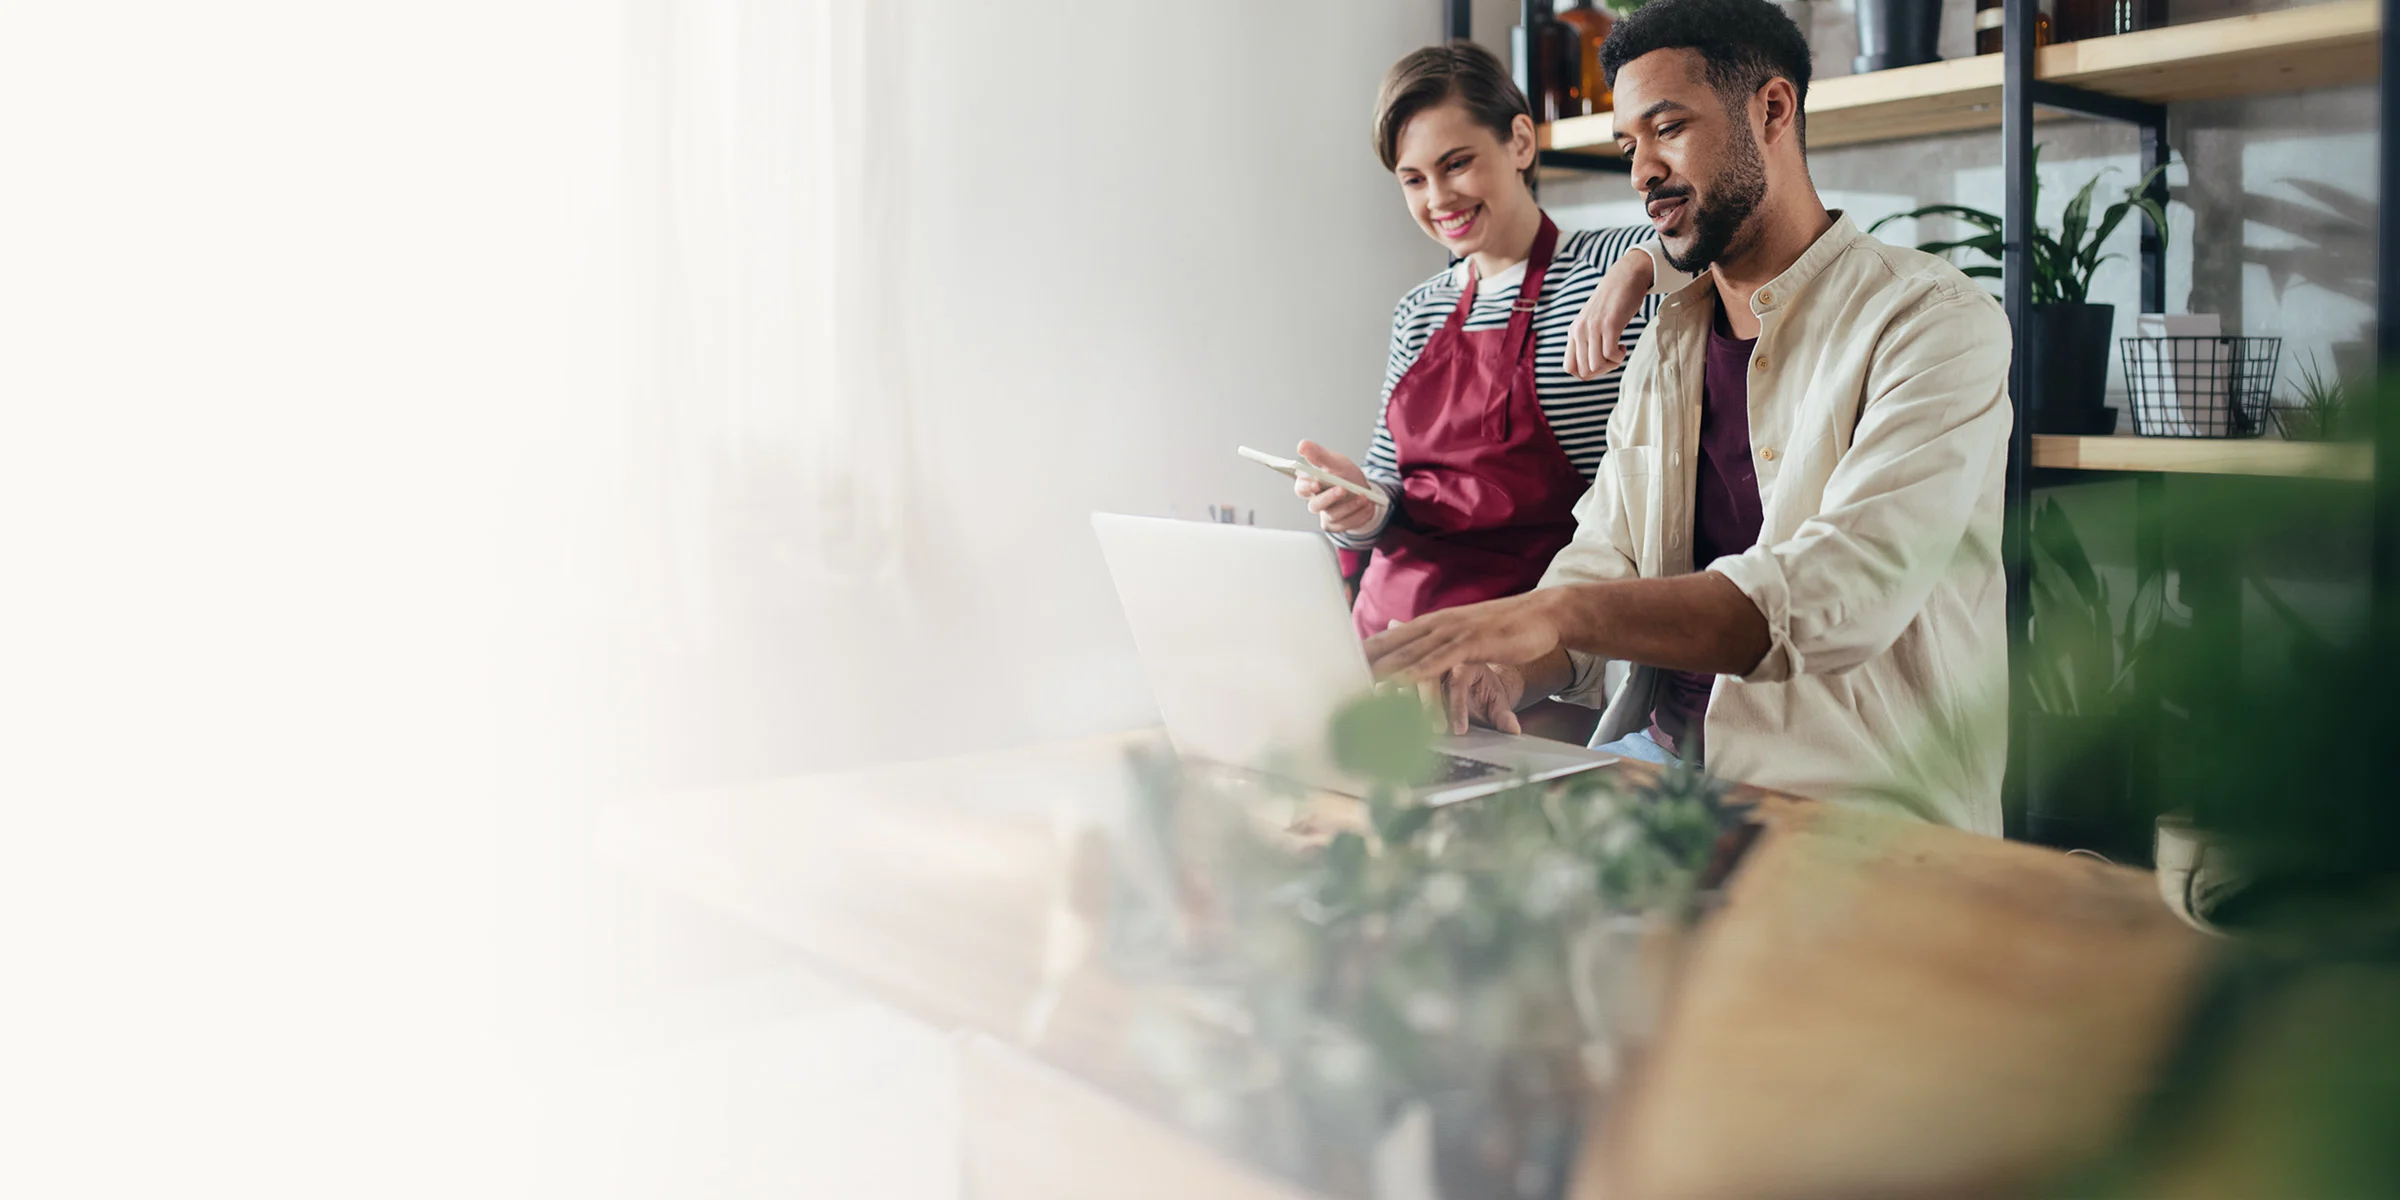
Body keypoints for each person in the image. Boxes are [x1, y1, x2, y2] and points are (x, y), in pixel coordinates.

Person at [1364, 0, 2015, 834]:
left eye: (1666, 128)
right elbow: (1604, 557)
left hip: (1853, 817)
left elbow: (1842, 590)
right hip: (1657, 773)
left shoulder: (1931, 321)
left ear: (1772, 109)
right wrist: (1508, 669)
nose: (1640, 172)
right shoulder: (1669, 341)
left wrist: (1545, 614)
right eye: (1628, 144)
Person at [1288, 42, 1667, 642]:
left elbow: (1724, 250)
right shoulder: (1420, 309)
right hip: (1386, 636)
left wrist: (1644, 262)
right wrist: (1356, 507)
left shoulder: (1612, 267)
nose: (1438, 199)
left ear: (1520, 141)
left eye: (1456, 163)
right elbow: (1390, 495)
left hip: (1529, 649)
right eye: (1413, 179)